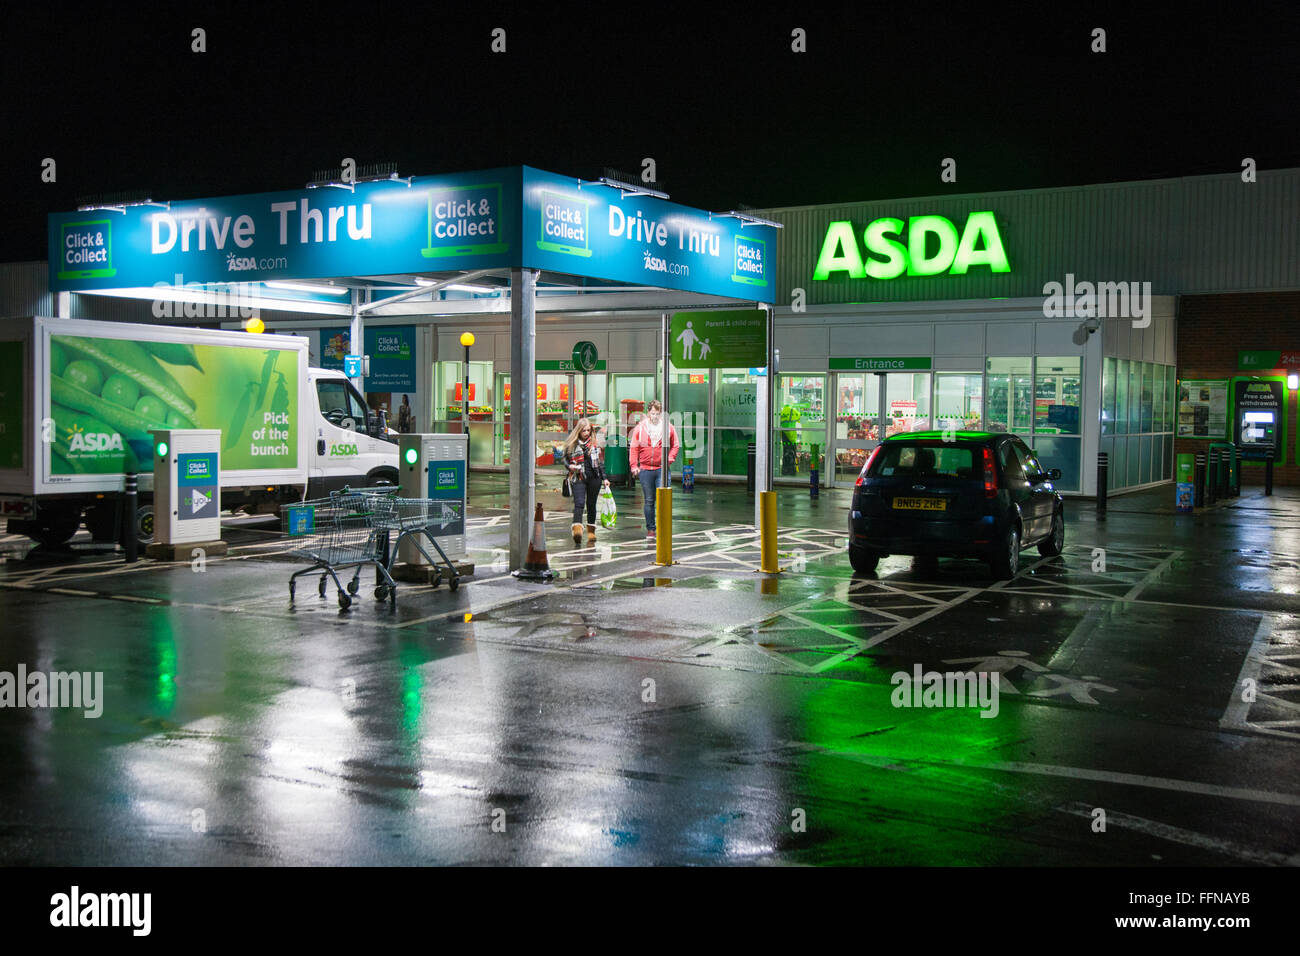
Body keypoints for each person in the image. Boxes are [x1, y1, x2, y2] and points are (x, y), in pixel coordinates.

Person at [629, 399, 680, 539]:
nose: (655, 416)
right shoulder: (640, 428)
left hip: (662, 470)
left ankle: (663, 529)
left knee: (664, 501)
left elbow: (675, 445)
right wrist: (634, 466)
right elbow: (634, 448)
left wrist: (669, 460)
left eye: (657, 414)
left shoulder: (668, 427)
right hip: (645, 470)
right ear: (648, 413)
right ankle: (651, 530)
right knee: (649, 501)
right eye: (652, 413)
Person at [562, 417, 609, 545]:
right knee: (579, 503)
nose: (587, 433)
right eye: (584, 431)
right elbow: (565, 459)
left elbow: (600, 463)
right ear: (579, 431)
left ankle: (591, 532)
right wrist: (569, 466)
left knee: (591, 504)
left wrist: (605, 479)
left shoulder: (595, 443)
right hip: (578, 477)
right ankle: (577, 531)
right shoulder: (572, 443)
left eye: (589, 430)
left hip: (595, 478)